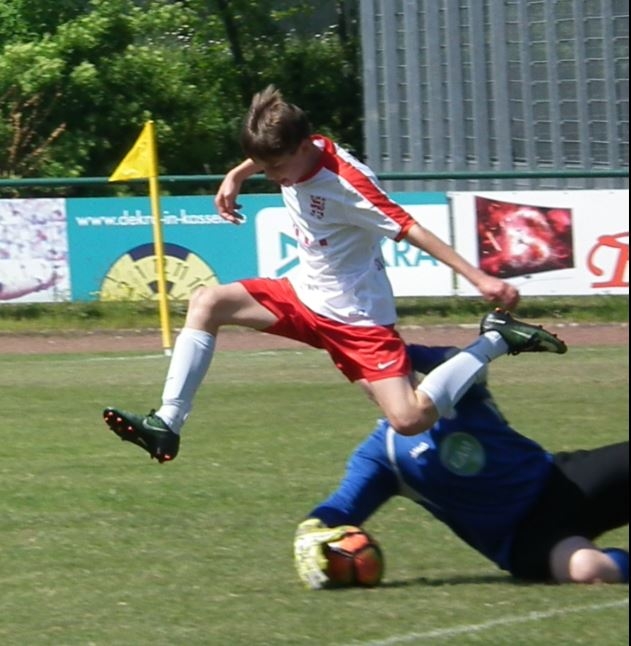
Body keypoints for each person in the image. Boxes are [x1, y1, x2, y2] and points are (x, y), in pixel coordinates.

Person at [103, 85, 567, 461]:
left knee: (408, 418)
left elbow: (411, 228)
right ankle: (168, 423)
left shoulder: (349, 184)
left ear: (303, 147)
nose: (273, 177)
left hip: (356, 318)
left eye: (276, 167)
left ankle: (494, 339)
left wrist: (480, 278)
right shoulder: (298, 146)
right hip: (302, 296)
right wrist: (237, 174)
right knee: (207, 302)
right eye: (266, 167)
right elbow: (272, 154)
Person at [294, 344, 629, 589]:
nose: (385, 380)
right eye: (371, 375)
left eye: (388, 368)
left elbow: (463, 359)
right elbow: (341, 508)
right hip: (522, 539)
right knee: (590, 570)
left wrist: (394, 349)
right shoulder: (381, 456)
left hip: (560, 479)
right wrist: (311, 533)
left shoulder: (455, 385)